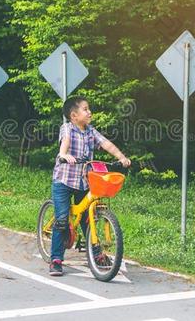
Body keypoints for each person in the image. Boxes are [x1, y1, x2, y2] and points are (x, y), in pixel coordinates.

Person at [49, 96, 131, 276]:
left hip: (84, 181)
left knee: (89, 219)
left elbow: (106, 143)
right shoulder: (68, 129)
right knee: (62, 221)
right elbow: (66, 143)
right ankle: (55, 259)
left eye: (89, 109)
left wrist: (121, 157)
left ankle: (96, 254)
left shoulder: (91, 131)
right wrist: (64, 155)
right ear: (74, 115)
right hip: (64, 180)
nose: (89, 112)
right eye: (85, 109)